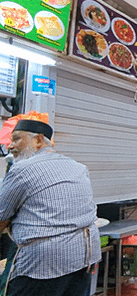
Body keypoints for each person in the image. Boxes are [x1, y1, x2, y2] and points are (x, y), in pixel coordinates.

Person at [0, 120, 101, 296]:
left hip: (44, 263)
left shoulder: (22, 169)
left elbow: (1, 217)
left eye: (16, 139)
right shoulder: (78, 167)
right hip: (84, 255)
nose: (10, 146)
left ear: (38, 140)